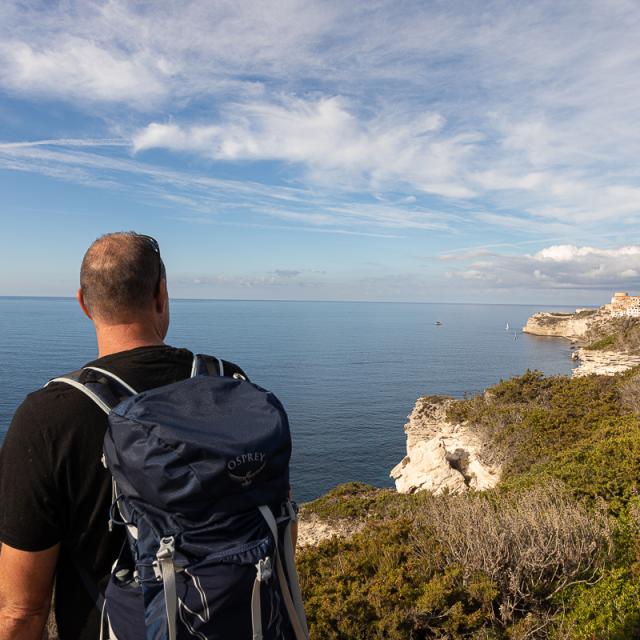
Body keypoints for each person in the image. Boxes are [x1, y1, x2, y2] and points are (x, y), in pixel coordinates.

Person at [0, 231, 274, 639]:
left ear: (83, 304)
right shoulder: (229, 383)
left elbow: (22, 609)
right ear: (161, 294)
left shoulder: (47, 417)